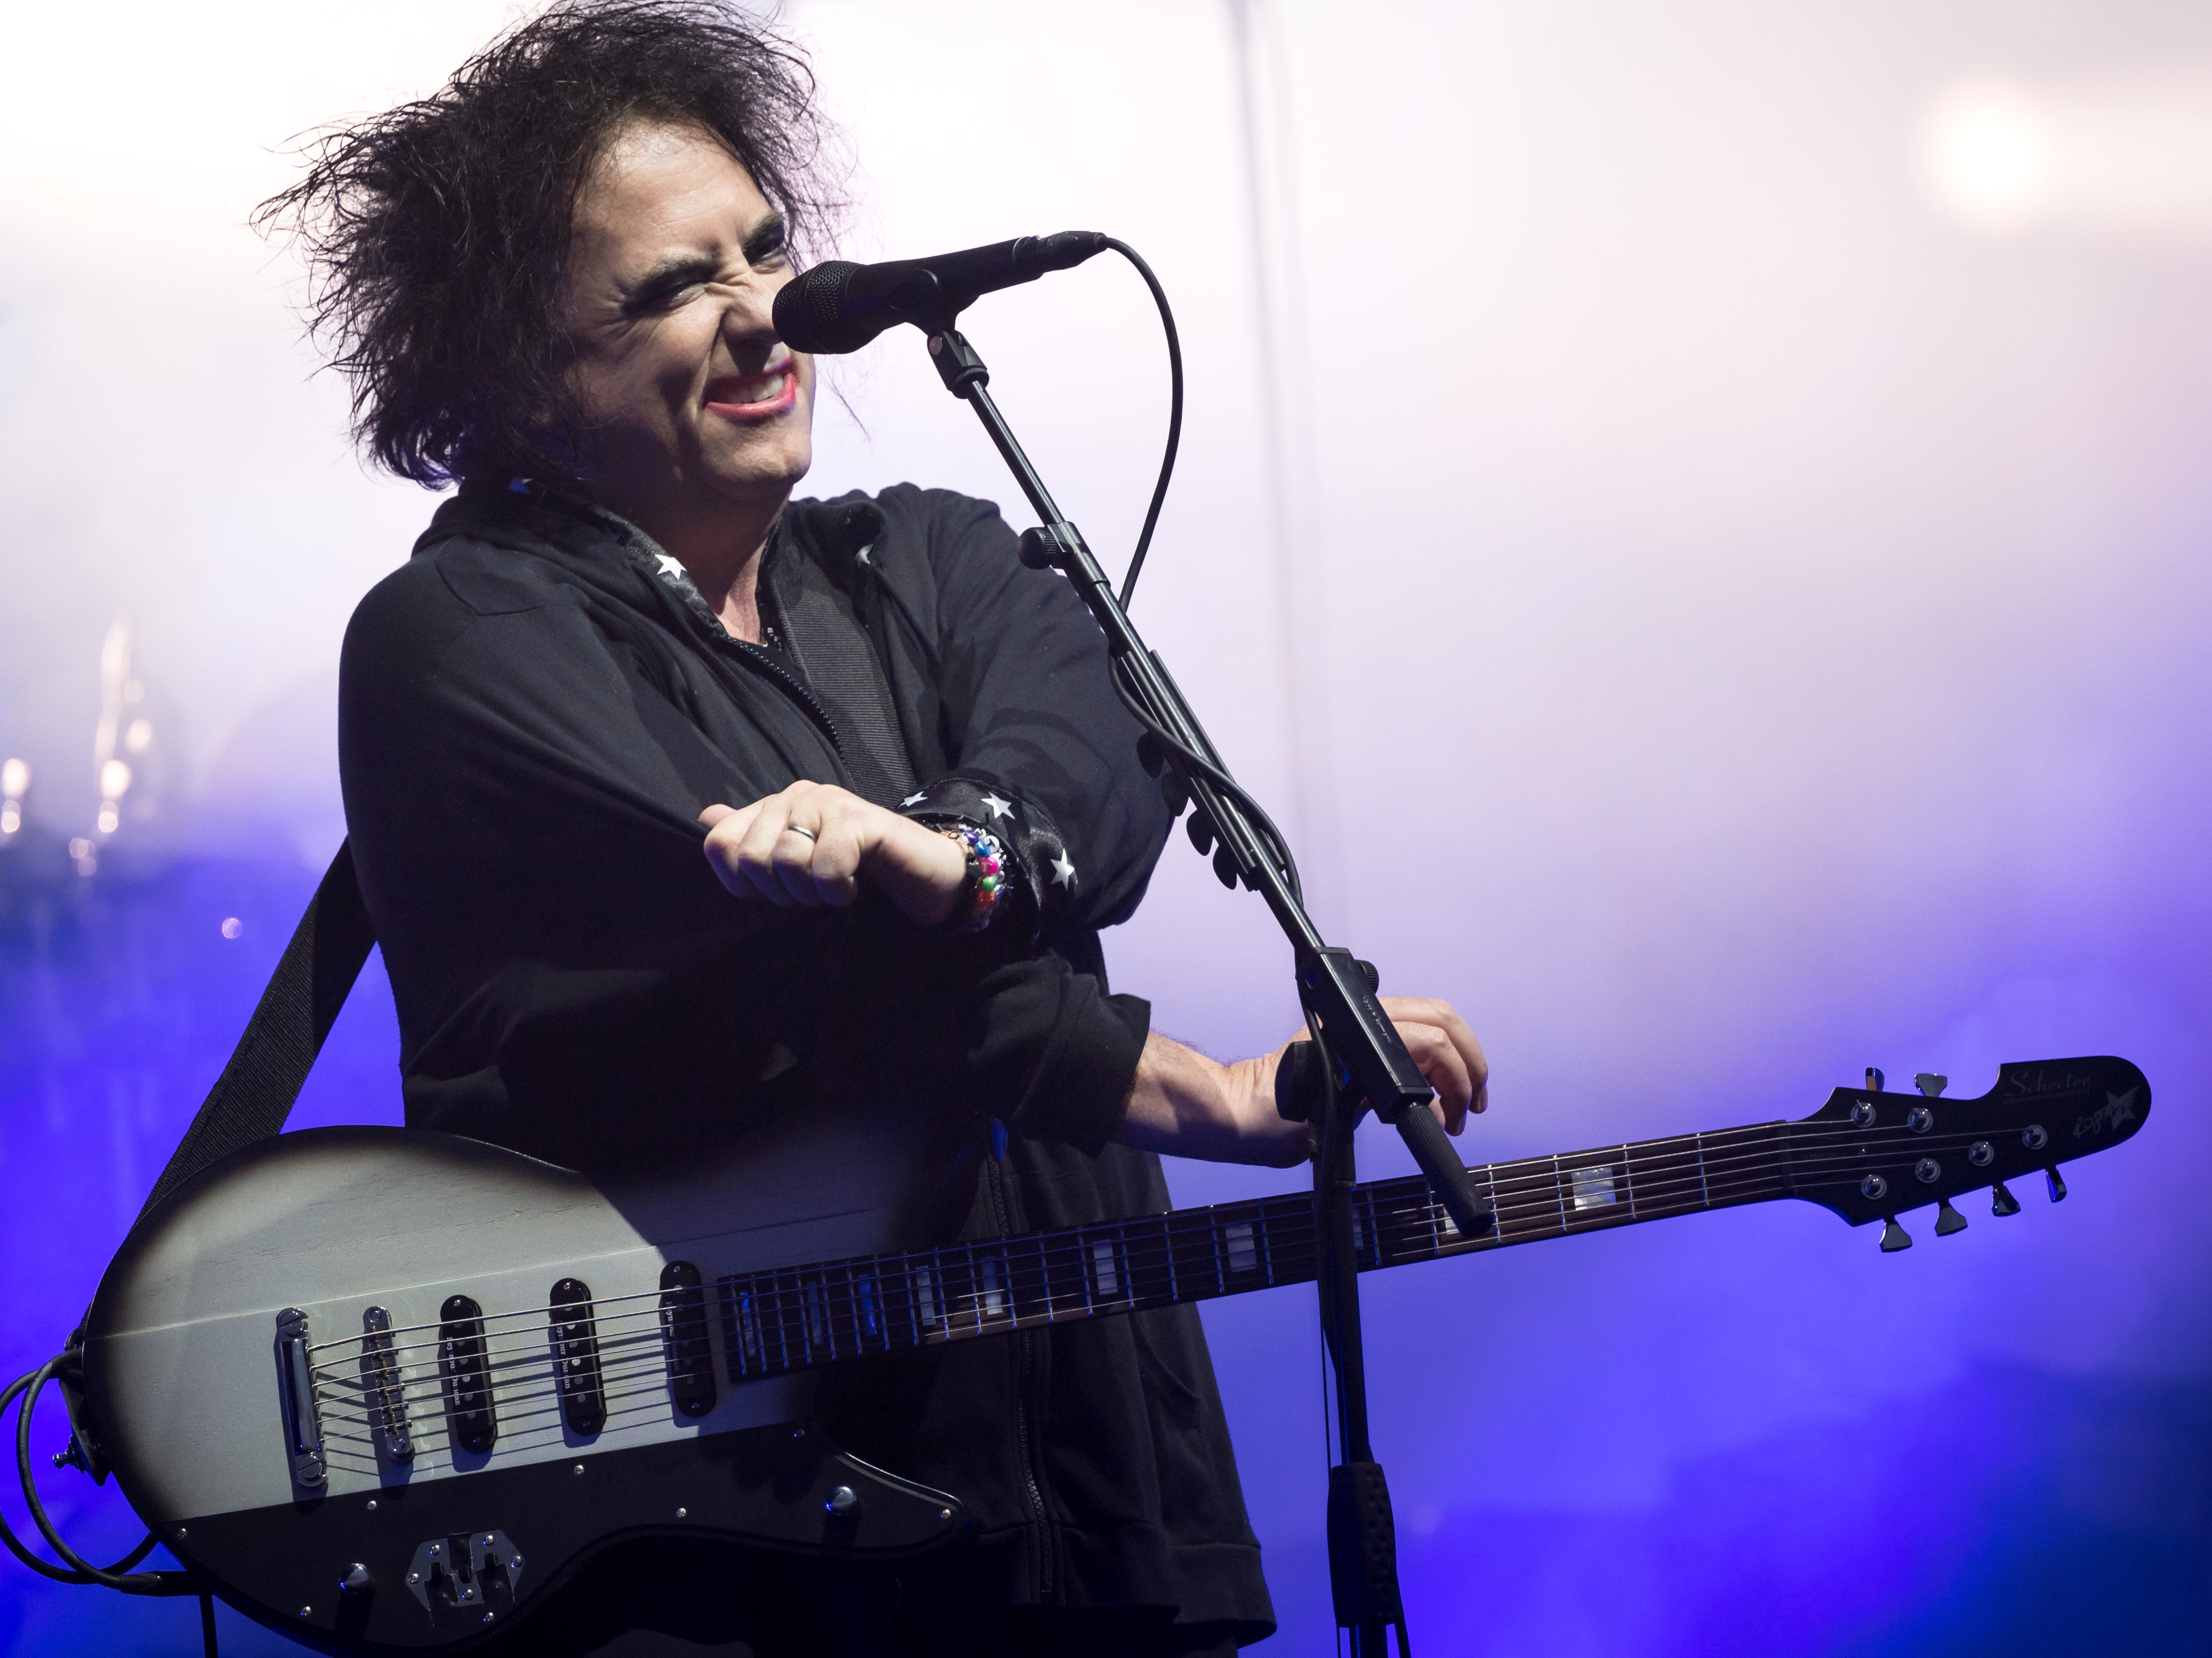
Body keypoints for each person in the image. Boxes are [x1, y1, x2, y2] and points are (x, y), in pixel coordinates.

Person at [272, 2, 1487, 1652]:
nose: (764, 316)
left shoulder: (933, 557)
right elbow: (798, 960)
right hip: (732, 1550)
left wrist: (962, 853)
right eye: (672, 289)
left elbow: (1106, 776)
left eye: (765, 252)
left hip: (1087, 1500)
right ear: (521, 383)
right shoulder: (461, 637)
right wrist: (1197, 1088)